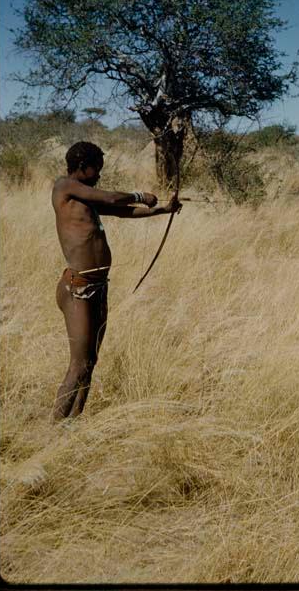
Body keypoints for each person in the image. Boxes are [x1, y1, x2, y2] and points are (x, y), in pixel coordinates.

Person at [51, 140, 181, 422]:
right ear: (82, 166)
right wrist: (139, 194)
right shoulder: (65, 187)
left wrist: (163, 210)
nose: (99, 174)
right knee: (79, 364)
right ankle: (52, 432)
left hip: (98, 286)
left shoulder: (86, 198)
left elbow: (122, 210)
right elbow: (112, 199)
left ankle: (71, 427)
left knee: (91, 362)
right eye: (96, 168)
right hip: (78, 289)